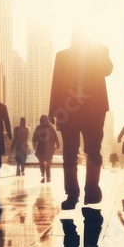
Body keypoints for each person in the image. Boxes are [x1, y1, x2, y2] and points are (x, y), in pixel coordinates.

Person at [49, 28, 113, 210]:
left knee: (94, 149)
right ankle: (72, 193)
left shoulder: (99, 52)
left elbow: (108, 70)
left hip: (94, 109)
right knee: (69, 151)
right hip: (68, 109)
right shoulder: (62, 56)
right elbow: (56, 83)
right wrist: (52, 110)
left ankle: (92, 189)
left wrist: (100, 48)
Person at [33, 115, 59, 183]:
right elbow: (55, 137)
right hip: (50, 148)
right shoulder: (51, 127)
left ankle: (43, 176)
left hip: (41, 149)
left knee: (42, 163)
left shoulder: (38, 128)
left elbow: (34, 138)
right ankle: (48, 177)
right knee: (48, 163)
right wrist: (57, 145)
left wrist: (34, 145)